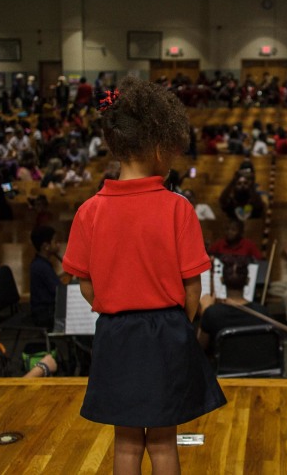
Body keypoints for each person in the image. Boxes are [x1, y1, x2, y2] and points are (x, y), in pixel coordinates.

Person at [62, 76, 226, 475]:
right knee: (165, 443)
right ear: (158, 146)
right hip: (166, 332)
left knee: (126, 442)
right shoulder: (177, 208)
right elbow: (193, 287)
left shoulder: (89, 211)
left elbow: (85, 283)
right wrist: (176, 323)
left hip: (116, 334)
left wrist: (112, 306)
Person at [197, 256, 268, 351]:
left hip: (223, 365)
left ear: (221, 280)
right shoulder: (262, 313)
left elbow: (199, 349)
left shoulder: (212, 314)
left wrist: (205, 311)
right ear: (248, 281)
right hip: (257, 365)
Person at [30, 225, 63, 330]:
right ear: (46, 246)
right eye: (55, 242)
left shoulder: (41, 263)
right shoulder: (41, 267)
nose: (58, 245)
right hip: (45, 314)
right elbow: (58, 292)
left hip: (47, 310)